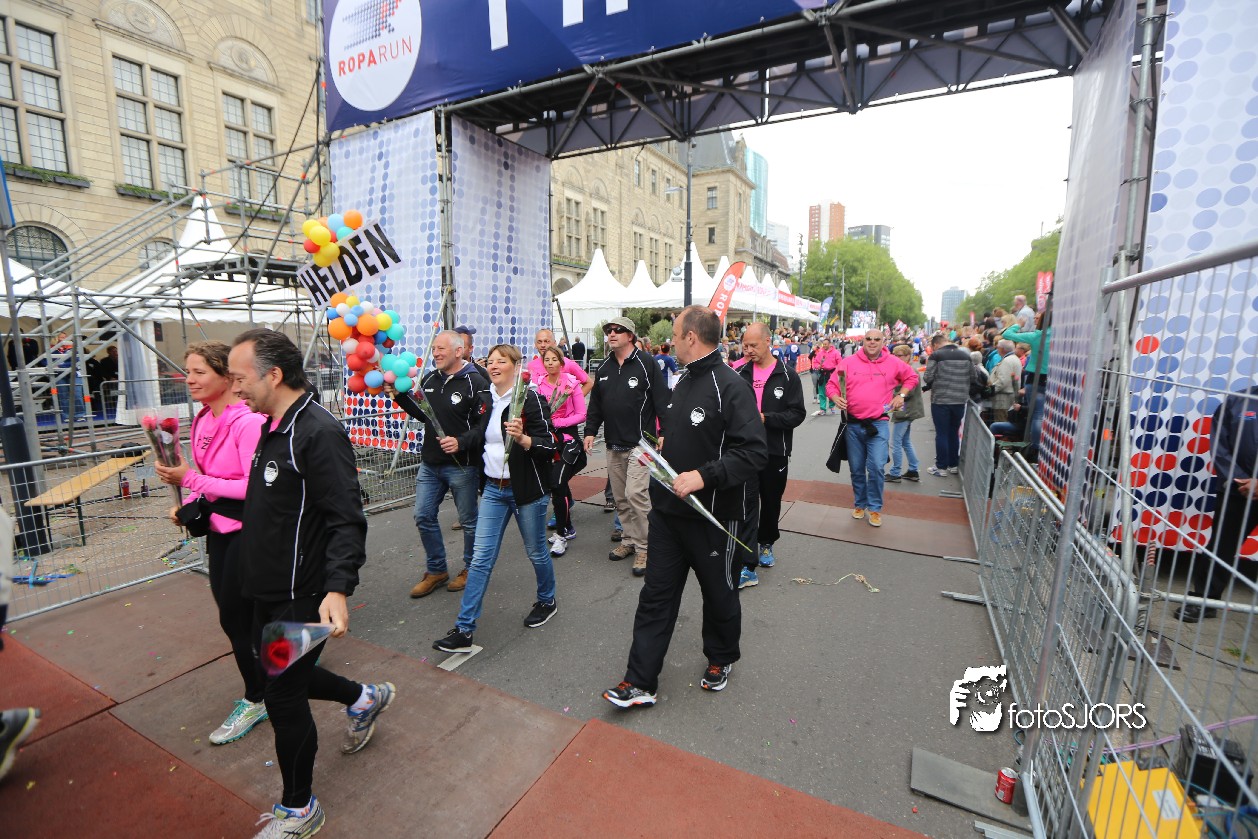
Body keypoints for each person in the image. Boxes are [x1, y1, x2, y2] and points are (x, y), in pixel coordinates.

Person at [229, 329, 393, 839]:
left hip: (299, 596)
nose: (235, 388)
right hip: (265, 589)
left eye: (239, 377)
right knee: (283, 677)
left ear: (273, 375)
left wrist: (337, 588)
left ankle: (300, 809)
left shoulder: (318, 432)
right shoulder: (272, 427)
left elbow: (346, 518)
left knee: (282, 698)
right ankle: (363, 697)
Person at [603, 306, 767, 709]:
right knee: (655, 597)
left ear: (691, 337)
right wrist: (660, 453)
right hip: (668, 515)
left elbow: (753, 452)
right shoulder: (682, 379)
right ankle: (640, 680)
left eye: (676, 335)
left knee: (719, 594)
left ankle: (721, 657)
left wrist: (703, 476)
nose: (671, 341)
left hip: (713, 516)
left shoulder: (731, 386)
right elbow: (687, 436)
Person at [155, 341, 268, 746]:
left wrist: (189, 480)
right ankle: (279, 674)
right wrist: (187, 503)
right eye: (188, 371)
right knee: (238, 617)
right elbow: (203, 477)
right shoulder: (202, 419)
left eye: (199, 372)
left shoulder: (247, 423)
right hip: (219, 532)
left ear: (226, 376)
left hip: (250, 531)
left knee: (238, 618)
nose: (189, 379)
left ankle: (258, 697)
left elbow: (254, 486)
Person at [432, 344, 560, 653]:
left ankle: (547, 600)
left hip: (526, 490)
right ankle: (464, 629)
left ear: (516, 366)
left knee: (536, 552)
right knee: (480, 559)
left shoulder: (530, 399)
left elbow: (549, 444)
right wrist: (459, 442)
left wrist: (524, 438)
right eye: (490, 361)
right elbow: (479, 434)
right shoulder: (485, 398)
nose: (494, 365)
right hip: (493, 489)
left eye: (501, 361)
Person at [387, 330, 489, 598]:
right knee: (423, 516)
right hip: (430, 464)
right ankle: (436, 570)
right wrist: (399, 396)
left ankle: (471, 568)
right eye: (434, 349)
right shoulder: (431, 378)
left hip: (462, 466)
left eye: (441, 349)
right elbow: (424, 414)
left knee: (469, 522)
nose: (435, 353)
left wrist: (461, 442)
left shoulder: (476, 381)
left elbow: (483, 426)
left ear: (458, 351)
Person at [584, 316, 667, 577]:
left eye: (618, 330)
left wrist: (665, 431)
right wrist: (589, 431)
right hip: (613, 442)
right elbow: (596, 404)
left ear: (630, 336)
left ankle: (646, 547)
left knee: (636, 494)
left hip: (642, 444)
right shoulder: (604, 367)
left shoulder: (646, 363)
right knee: (620, 497)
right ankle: (629, 540)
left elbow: (662, 399)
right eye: (608, 330)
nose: (611, 333)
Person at [1177, 385, 1258, 623]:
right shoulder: (1239, 400)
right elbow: (1220, 446)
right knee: (1222, 546)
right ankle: (1206, 601)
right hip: (1238, 489)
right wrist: (1240, 480)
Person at [826, 330, 919, 528]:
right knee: (857, 468)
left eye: (877, 339)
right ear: (863, 341)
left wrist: (901, 396)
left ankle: (875, 508)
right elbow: (832, 385)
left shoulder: (893, 362)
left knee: (876, 466)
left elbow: (912, 377)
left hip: (878, 424)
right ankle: (860, 504)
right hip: (853, 425)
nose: (872, 342)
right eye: (868, 339)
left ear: (883, 342)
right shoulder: (849, 362)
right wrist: (834, 397)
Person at [736, 322, 805, 587]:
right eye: (745, 345)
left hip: (775, 450)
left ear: (768, 342)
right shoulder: (739, 373)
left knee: (771, 499)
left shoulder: (788, 376)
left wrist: (767, 418)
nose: (748, 350)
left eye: (753, 345)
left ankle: (766, 542)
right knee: (746, 502)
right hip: (744, 449)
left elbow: (797, 414)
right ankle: (747, 557)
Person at [534, 346, 587, 556]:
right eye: (546, 360)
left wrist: (558, 423)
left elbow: (582, 414)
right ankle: (568, 527)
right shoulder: (538, 385)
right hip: (548, 442)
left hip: (568, 442)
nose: (550, 363)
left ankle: (561, 534)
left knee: (557, 484)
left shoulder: (571, 383)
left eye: (554, 359)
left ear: (561, 362)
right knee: (557, 485)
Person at [923, 334, 979, 477]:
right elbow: (974, 377)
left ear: (935, 345)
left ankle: (941, 466)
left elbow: (928, 377)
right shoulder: (966, 355)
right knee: (953, 432)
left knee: (941, 433)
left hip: (941, 399)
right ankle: (953, 464)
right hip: (959, 399)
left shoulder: (936, 355)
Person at [885, 343, 924, 483]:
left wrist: (890, 395)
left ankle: (896, 472)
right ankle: (913, 470)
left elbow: (907, 393)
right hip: (906, 410)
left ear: (908, 356)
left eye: (900, 355)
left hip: (905, 411)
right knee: (905, 441)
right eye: (894, 355)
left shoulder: (909, 370)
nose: (896, 358)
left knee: (895, 442)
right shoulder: (905, 369)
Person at [528, 329, 592, 397]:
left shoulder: (567, 363)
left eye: (547, 341)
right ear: (535, 345)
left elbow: (589, 383)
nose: (543, 345)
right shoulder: (531, 366)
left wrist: (574, 400)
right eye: (539, 342)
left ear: (555, 343)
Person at [987, 340, 1022, 424]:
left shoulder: (1007, 361)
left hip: (1003, 399)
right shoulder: (1013, 359)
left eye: (998, 347)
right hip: (1008, 397)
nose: (997, 349)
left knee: (1001, 421)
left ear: (1002, 349)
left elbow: (1003, 381)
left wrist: (990, 390)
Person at [811, 338, 839, 415]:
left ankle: (832, 406)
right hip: (822, 374)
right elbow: (815, 362)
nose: (824, 345)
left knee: (832, 391)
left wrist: (836, 371)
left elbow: (840, 363)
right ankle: (823, 409)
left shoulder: (835, 353)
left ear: (829, 344)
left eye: (826, 344)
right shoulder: (820, 353)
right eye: (823, 344)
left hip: (831, 374)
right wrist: (818, 366)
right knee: (821, 391)